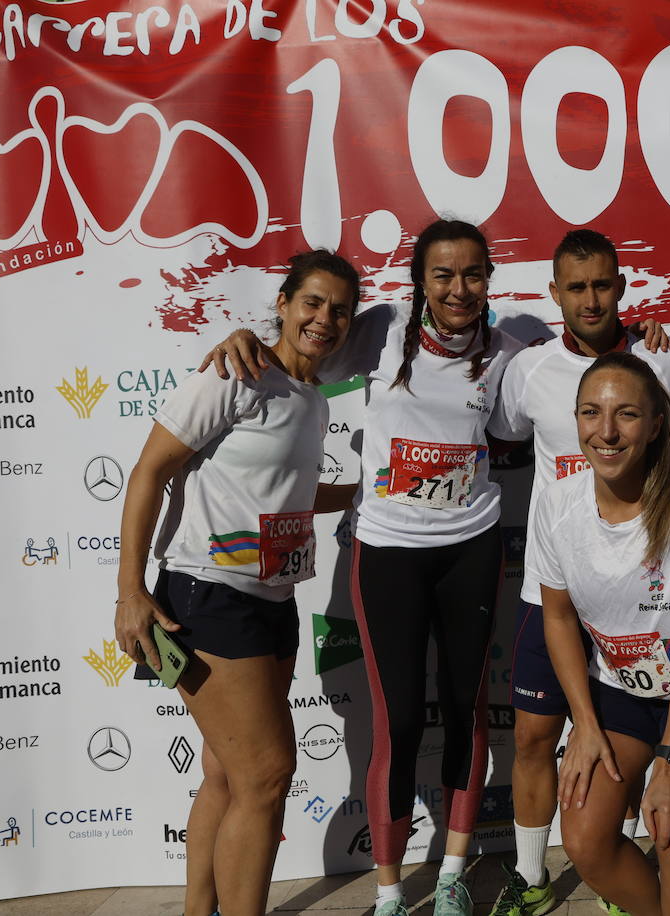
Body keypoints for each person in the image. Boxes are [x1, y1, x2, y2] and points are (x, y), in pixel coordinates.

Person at [203, 220, 523, 916]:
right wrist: (243, 340)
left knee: (466, 711)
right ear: (420, 281)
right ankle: (388, 893)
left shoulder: (507, 354)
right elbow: (301, 351)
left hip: (471, 547)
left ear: (488, 279)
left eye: (473, 274)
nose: (459, 288)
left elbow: (572, 389)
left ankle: (451, 878)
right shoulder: (381, 329)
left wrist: (638, 340)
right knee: (398, 721)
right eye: (443, 274)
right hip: (387, 551)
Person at [115, 250, 360, 916]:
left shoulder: (311, 399)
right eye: (312, 302)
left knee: (227, 773)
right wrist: (130, 591)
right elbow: (148, 471)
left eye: (341, 310)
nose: (325, 319)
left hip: (273, 601)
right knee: (267, 776)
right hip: (208, 596)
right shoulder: (235, 372)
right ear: (283, 303)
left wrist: (367, 494)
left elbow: (285, 494)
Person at [491, 229, 670, 916]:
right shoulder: (528, 370)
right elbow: (501, 437)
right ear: (554, 293)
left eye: (602, 284)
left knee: (624, 737)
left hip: (636, 594)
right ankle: (530, 877)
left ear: (622, 286)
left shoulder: (659, 362)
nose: (591, 299)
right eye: (576, 287)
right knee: (533, 737)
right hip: (553, 590)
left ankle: (613, 873)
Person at [526, 351, 670, 916]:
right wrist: (583, 724)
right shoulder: (555, 504)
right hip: (621, 693)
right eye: (591, 412)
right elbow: (558, 619)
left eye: (626, 414)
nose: (606, 432)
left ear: (655, 425)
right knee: (585, 839)